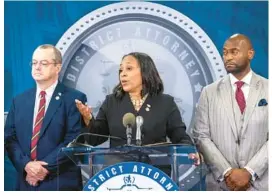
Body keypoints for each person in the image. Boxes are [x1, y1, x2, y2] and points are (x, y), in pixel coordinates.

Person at [75, 52, 199, 174]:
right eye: (121, 70)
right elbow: (94, 139)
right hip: (117, 174)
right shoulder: (111, 102)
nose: (123, 74)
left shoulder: (166, 103)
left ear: (145, 71)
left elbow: (180, 136)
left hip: (155, 174)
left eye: (129, 68)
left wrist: (190, 150)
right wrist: (87, 118)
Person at [5, 44, 87, 190]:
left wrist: (43, 169)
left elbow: (74, 140)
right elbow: (10, 139)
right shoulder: (18, 101)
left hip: (60, 182)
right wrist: (27, 166)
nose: (37, 67)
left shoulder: (74, 99)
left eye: (44, 63)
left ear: (58, 67)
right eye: (34, 63)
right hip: (25, 183)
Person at [193, 34, 268, 191]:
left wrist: (250, 171)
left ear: (250, 54)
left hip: (263, 185)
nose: (227, 57)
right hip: (221, 185)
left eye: (234, 52)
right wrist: (227, 172)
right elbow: (201, 136)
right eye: (225, 52)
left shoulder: (269, 89)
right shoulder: (209, 92)